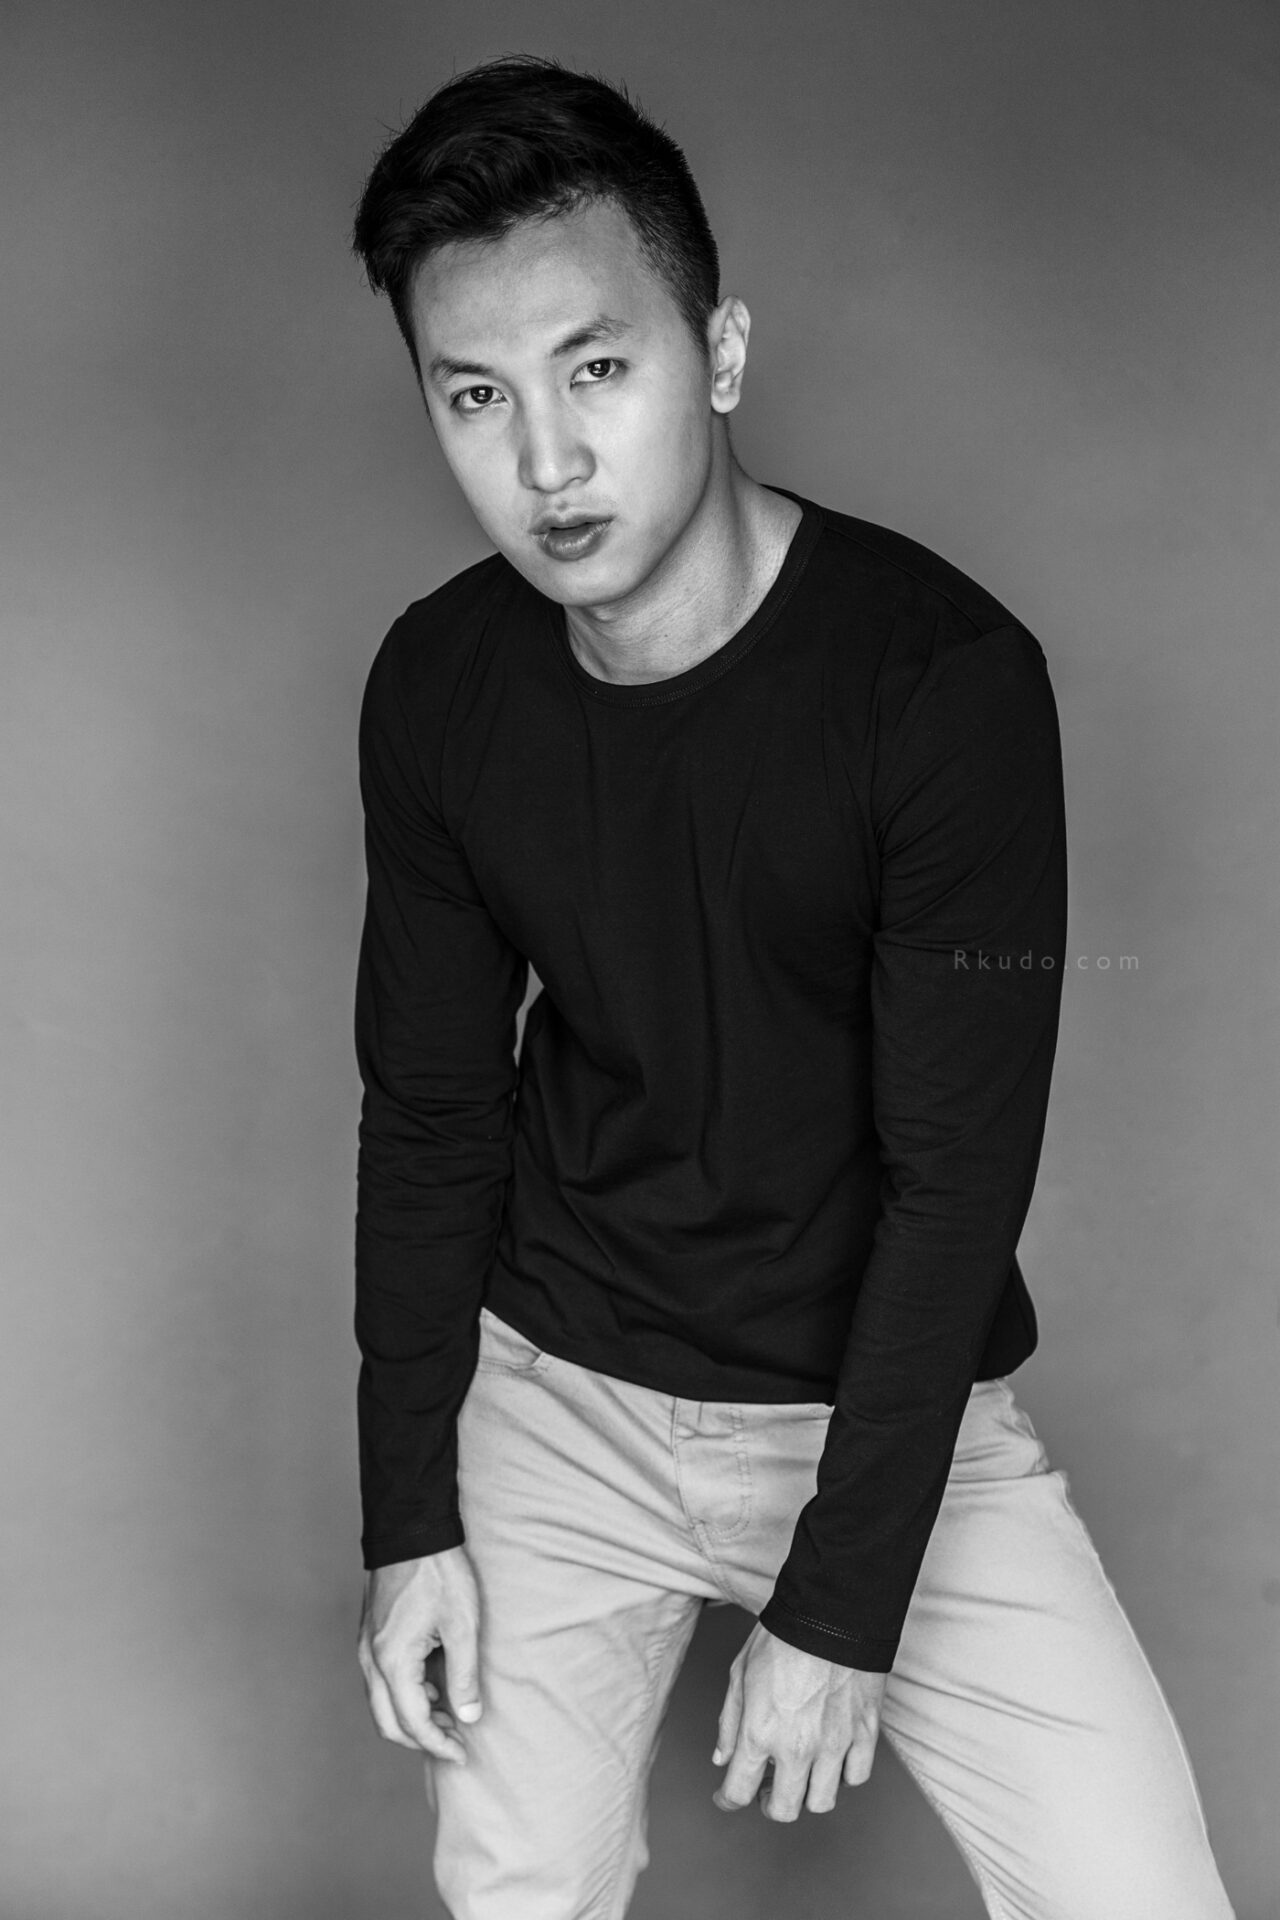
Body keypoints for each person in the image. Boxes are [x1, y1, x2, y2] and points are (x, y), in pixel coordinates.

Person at [348, 55, 1234, 1920]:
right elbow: (431, 1113)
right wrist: (408, 1518)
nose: (548, 463)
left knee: (1141, 1898)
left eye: (600, 368)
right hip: (558, 1400)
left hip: (885, 1410)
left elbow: (955, 1180)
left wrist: (840, 1606)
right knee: (515, 1898)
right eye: (477, 395)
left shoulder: (943, 685)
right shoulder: (438, 685)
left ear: (723, 353)